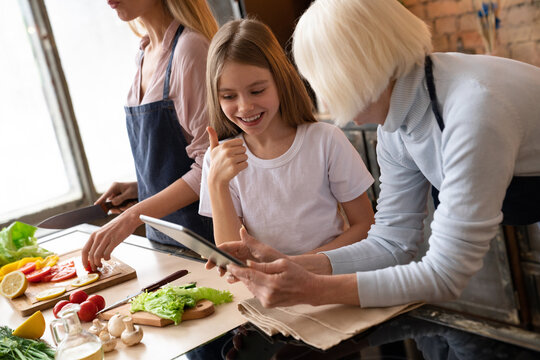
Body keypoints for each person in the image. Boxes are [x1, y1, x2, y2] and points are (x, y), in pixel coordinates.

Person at [212, 0, 540, 308]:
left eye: (323, 81)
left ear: (361, 69)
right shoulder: (396, 125)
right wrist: (291, 267)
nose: (323, 96)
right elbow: (392, 242)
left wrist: (312, 288)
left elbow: (446, 274)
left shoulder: (473, 112)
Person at [198, 18, 375, 255]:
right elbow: (231, 257)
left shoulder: (325, 140)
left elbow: (365, 226)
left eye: (257, 91)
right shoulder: (218, 159)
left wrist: (299, 267)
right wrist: (216, 183)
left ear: (280, 81)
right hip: (269, 288)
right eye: (229, 96)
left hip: (330, 279)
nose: (245, 107)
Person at [82, 0, 218, 270]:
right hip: (166, 245)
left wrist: (133, 216)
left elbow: (211, 166)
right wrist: (142, 188)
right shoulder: (145, 52)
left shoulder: (190, 49)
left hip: (204, 248)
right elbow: (178, 156)